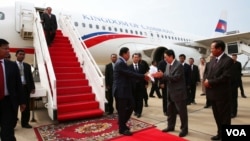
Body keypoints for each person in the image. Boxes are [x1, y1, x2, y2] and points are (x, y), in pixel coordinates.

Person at [113, 47, 149, 136]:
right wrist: (143, 76)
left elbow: (129, 74)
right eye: (128, 53)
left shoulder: (122, 62)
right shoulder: (120, 63)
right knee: (122, 110)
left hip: (125, 90)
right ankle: (122, 128)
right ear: (124, 54)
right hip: (121, 90)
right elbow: (130, 73)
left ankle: (122, 123)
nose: (129, 55)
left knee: (131, 105)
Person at [152, 49, 188, 137]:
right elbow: (167, 77)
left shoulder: (178, 65)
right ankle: (170, 126)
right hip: (170, 92)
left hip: (179, 93)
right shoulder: (168, 65)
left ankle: (184, 129)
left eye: (166, 57)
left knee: (182, 112)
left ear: (171, 56)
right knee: (170, 111)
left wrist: (163, 75)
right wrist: (159, 76)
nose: (165, 59)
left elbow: (175, 78)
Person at [204, 40, 233, 140]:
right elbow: (207, 74)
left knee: (224, 117)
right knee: (217, 116)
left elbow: (225, 77)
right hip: (212, 94)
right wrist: (206, 81)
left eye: (212, 48)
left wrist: (210, 82)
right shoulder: (212, 61)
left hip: (222, 95)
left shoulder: (228, 60)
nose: (210, 50)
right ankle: (219, 133)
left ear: (219, 49)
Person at [0, 38, 26, 141]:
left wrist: (22, 101)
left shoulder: (12, 66)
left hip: (8, 102)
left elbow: (18, 85)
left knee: (8, 131)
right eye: (5, 48)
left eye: (8, 48)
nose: (8, 51)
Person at [15, 49, 35, 128]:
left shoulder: (27, 66)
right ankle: (12, 124)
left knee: (26, 107)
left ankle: (25, 123)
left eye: (23, 54)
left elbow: (30, 77)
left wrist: (32, 87)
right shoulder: (12, 65)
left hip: (25, 89)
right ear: (16, 55)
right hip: (15, 89)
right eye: (20, 54)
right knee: (14, 107)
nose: (22, 56)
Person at [129, 53, 148, 118]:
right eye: (135, 57)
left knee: (140, 99)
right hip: (132, 86)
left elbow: (145, 76)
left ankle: (139, 112)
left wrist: (146, 83)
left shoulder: (142, 66)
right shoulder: (129, 67)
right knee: (134, 99)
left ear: (139, 58)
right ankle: (135, 110)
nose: (136, 58)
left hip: (141, 86)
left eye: (137, 57)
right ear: (132, 58)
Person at [230, 54, 242, 118]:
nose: (233, 58)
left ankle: (234, 113)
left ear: (236, 57)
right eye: (232, 57)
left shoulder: (238, 64)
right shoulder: (229, 64)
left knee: (234, 99)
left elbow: (239, 72)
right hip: (229, 84)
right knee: (229, 99)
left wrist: (238, 82)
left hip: (235, 83)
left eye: (234, 57)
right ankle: (230, 111)